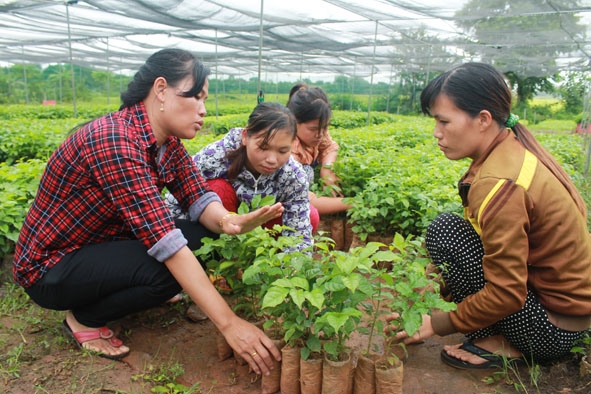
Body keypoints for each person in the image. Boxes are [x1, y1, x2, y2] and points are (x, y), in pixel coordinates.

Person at [12, 48, 282, 375]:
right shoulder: (116, 140)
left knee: (204, 237)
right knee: (169, 271)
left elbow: (197, 197)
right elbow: (166, 242)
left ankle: (122, 289)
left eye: (204, 100)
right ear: (160, 90)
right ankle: (84, 319)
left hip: (97, 246)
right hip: (50, 266)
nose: (203, 110)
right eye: (195, 97)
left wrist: (230, 221)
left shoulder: (167, 144)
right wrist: (229, 323)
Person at [391, 62, 591, 369]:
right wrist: (429, 287)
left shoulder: (499, 183)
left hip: (551, 330)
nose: (437, 133)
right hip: (563, 314)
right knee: (450, 231)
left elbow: (507, 292)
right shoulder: (510, 150)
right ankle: (495, 330)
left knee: (446, 232)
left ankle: (501, 341)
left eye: (444, 121)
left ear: (483, 119)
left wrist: (438, 323)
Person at [166, 101, 315, 250]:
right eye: (263, 147)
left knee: (311, 217)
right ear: (245, 136)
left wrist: (292, 269)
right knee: (217, 189)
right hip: (218, 226)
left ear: (293, 144)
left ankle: (263, 260)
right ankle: (218, 257)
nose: (272, 160)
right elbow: (178, 196)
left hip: (265, 230)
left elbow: (299, 234)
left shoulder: (293, 175)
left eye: (282, 151)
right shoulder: (217, 155)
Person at [286, 82, 350, 215]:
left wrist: (327, 168)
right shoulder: (287, 147)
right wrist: (350, 203)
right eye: (313, 129)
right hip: (280, 201)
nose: (320, 134)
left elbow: (330, 146)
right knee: (307, 171)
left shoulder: (317, 134)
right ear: (293, 121)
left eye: (324, 127)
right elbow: (304, 199)